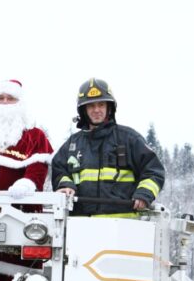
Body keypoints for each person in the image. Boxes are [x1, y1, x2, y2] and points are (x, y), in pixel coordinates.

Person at [50, 78, 165, 217]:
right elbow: (59, 170)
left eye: (101, 104)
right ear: (83, 110)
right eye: (91, 106)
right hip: (80, 227)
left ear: (109, 108)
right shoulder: (73, 144)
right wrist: (66, 185)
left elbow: (153, 170)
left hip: (124, 229)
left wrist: (144, 193)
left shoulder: (129, 139)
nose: (96, 110)